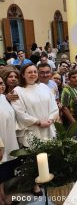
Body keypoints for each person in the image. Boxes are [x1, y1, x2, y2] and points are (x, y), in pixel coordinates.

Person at [11, 64, 58, 147]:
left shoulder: (44, 87)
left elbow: (54, 106)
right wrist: (38, 122)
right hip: (32, 131)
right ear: (23, 75)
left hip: (48, 127)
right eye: (29, 72)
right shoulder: (17, 91)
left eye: (35, 72)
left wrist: (51, 119)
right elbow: (19, 112)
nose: (33, 74)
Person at [0, 76, 20, 205]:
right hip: (0, 142)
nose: (1, 86)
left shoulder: (3, 98)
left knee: (2, 172)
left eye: (1, 83)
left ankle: (2, 195)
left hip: (7, 140)